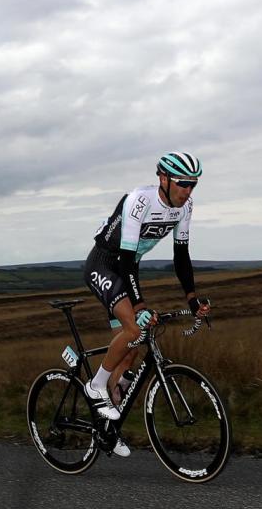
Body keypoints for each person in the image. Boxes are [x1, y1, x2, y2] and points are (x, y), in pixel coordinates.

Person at [82, 152, 210, 455]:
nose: (187, 191)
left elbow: (181, 256)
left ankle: (108, 427)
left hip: (128, 269)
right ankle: (95, 386)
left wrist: (191, 299)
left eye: (193, 185)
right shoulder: (139, 201)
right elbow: (125, 258)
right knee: (132, 326)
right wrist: (138, 306)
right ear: (163, 179)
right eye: (182, 184)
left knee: (130, 351)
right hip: (104, 264)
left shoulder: (185, 206)